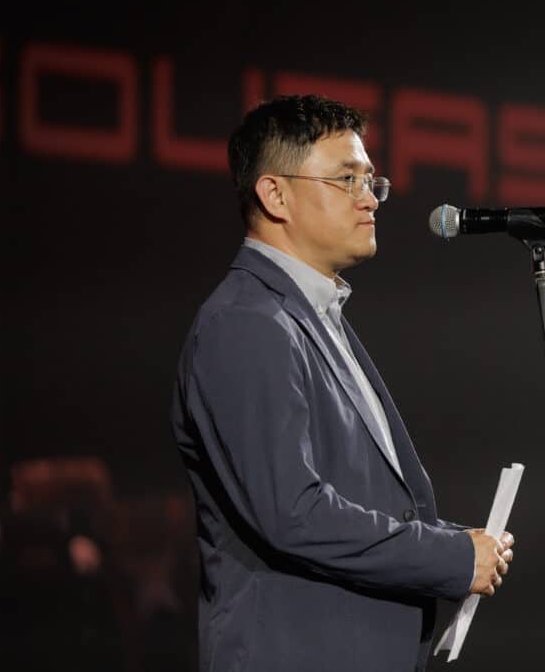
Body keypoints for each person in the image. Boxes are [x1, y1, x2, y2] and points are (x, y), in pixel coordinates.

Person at [170, 94, 514, 672]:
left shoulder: (309, 316)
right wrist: (449, 557)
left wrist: (459, 543)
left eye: (371, 182)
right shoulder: (246, 322)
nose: (369, 198)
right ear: (275, 194)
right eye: (346, 179)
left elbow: (358, 497)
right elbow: (293, 512)